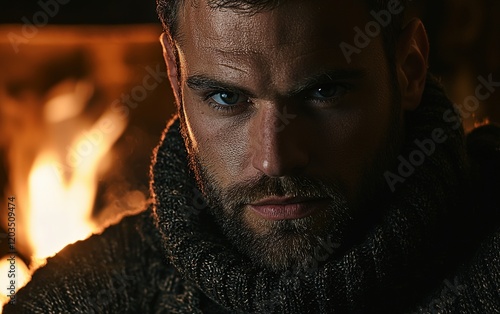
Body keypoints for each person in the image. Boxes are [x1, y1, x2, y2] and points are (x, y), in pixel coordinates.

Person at [4, 0, 500, 313]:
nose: (275, 160)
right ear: (175, 80)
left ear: (409, 69)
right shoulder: (79, 301)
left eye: (323, 92)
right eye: (226, 99)